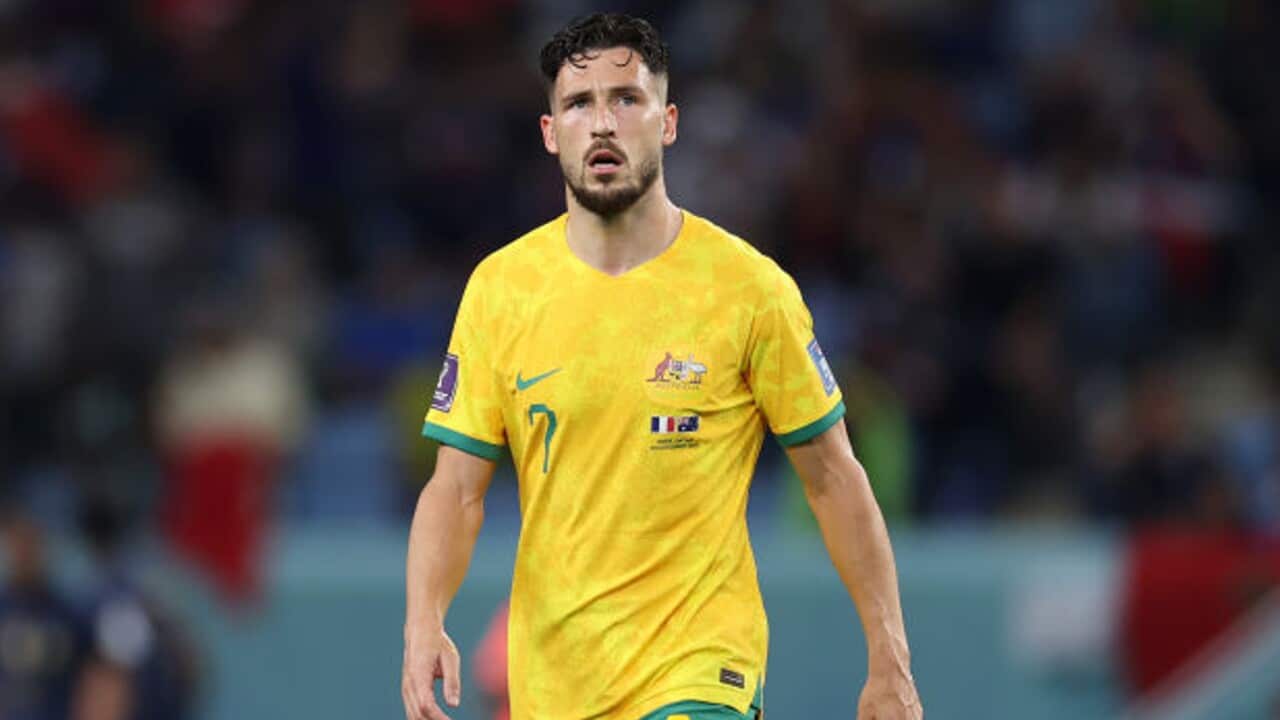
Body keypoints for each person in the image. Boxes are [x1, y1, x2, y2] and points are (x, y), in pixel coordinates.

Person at [402, 13, 921, 720]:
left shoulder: (748, 290)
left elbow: (833, 477)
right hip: (552, 687)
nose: (603, 123)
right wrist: (423, 622)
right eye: (579, 104)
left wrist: (888, 658)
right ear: (552, 133)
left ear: (668, 122)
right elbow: (455, 490)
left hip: (700, 674)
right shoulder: (502, 291)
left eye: (627, 98)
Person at [0, 503, 86, 720]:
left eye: (31, 543)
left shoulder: (68, 613)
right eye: (17, 544)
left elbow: (95, 677)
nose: (24, 554)